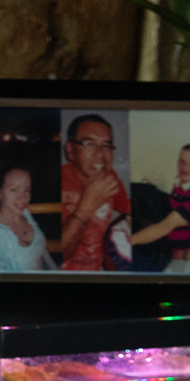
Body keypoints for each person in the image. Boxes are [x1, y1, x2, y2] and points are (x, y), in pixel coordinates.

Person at [58, 114, 129, 271]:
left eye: (106, 145)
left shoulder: (110, 177)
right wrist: (87, 205)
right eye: (89, 144)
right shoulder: (55, 181)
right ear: (70, 151)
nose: (100, 154)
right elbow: (57, 255)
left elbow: (129, 213)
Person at [129, 143, 190, 274]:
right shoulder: (181, 190)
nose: (185, 167)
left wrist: (128, 241)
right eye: (182, 161)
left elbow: (164, 227)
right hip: (178, 261)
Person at [0, 165, 56, 273]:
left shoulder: (26, 214)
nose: (23, 197)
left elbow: (43, 256)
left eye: (27, 190)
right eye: (14, 190)